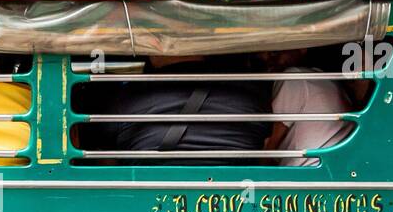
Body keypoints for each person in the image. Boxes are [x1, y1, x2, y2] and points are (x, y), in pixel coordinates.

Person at [94, 53, 271, 164]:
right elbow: (266, 142)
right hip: (233, 202)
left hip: (146, 200)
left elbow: (104, 148)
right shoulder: (249, 92)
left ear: (153, 51)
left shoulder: (128, 96)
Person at [259, 49, 352, 167]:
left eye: (275, 51)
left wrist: (256, 175)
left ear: (303, 49)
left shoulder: (293, 76)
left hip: (308, 167)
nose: (270, 58)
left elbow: (272, 141)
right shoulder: (326, 79)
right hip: (335, 165)